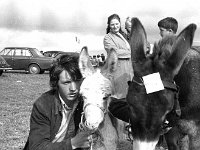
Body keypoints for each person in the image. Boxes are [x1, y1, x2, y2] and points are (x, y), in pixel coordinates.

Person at [23, 55, 97, 150]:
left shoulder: (84, 101)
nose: (73, 89)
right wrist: (73, 143)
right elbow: (37, 147)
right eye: (66, 83)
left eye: (77, 81)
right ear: (56, 83)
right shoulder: (43, 105)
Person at [103, 13, 133, 100]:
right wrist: (131, 52)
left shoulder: (123, 35)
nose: (115, 26)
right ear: (109, 25)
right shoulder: (107, 38)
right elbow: (114, 52)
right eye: (112, 24)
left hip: (130, 70)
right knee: (121, 98)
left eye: (117, 24)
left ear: (120, 24)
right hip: (119, 72)